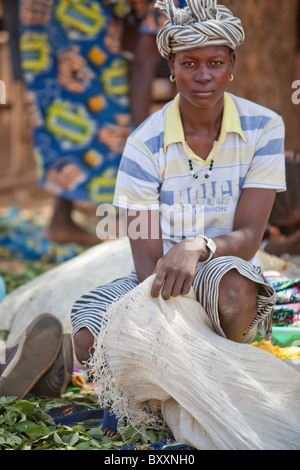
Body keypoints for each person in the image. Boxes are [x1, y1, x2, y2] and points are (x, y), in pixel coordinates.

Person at [71, 0, 286, 365]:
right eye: (189, 64)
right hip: (159, 279)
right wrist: (173, 298)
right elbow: (146, 265)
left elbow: (249, 238)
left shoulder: (264, 128)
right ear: (171, 67)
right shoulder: (143, 144)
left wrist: (196, 246)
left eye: (215, 63)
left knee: (232, 290)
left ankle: (203, 366)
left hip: (227, 268)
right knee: (88, 335)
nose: (203, 76)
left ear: (231, 65)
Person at [18, 0, 163, 246]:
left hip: (47, 11)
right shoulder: (174, 5)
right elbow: (142, 64)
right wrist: (142, 141)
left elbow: (133, 50)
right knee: (105, 121)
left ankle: (61, 218)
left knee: (66, 110)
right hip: (75, 14)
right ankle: (136, 233)